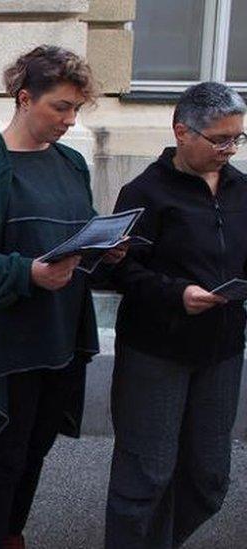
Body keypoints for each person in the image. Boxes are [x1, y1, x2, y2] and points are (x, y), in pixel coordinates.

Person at [0, 45, 125, 549]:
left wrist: (104, 250)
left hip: (59, 334)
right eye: (60, 107)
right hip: (5, 344)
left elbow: (75, 234)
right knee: (4, 456)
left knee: (37, 447)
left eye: (76, 109)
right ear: (24, 98)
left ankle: (12, 535)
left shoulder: (71, 163)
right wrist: (26, 274)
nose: (69, 119)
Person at [104, 82, 247, 549]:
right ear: (182, 132)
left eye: (237, 139)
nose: (230, 149)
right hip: (156, 350)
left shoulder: (242, 190)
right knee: (145, 478)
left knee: (209, 481)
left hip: (222, 350)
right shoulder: (144, 192)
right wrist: (176, 294)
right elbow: (122, 272)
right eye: (220, 139)